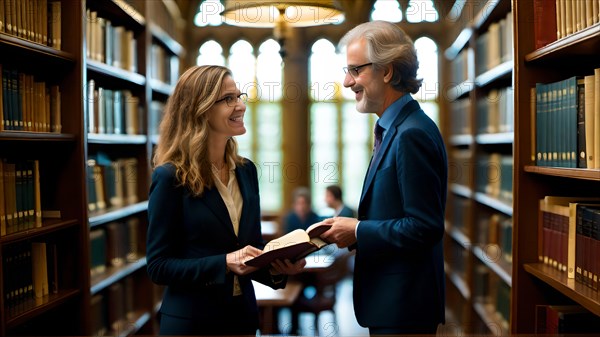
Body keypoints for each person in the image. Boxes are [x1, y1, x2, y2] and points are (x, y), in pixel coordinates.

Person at [146, 65, 306, 336]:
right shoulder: (170, 177)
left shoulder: (246, 171)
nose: (240, 106)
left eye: (239, 96)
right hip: (192, 325)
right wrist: (223, 262)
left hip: (241, 320)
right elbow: (159, 267)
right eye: (228, 99)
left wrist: (279, 268)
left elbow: (249, 250)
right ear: (200, 109)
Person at [320, 21, 448, 335]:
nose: (347, 82)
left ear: (387, 71)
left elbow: (424, 228)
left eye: (355, 70)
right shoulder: (395, 128)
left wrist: (358, 230)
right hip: (392, 305)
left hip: (404, 311)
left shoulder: (411, 134)